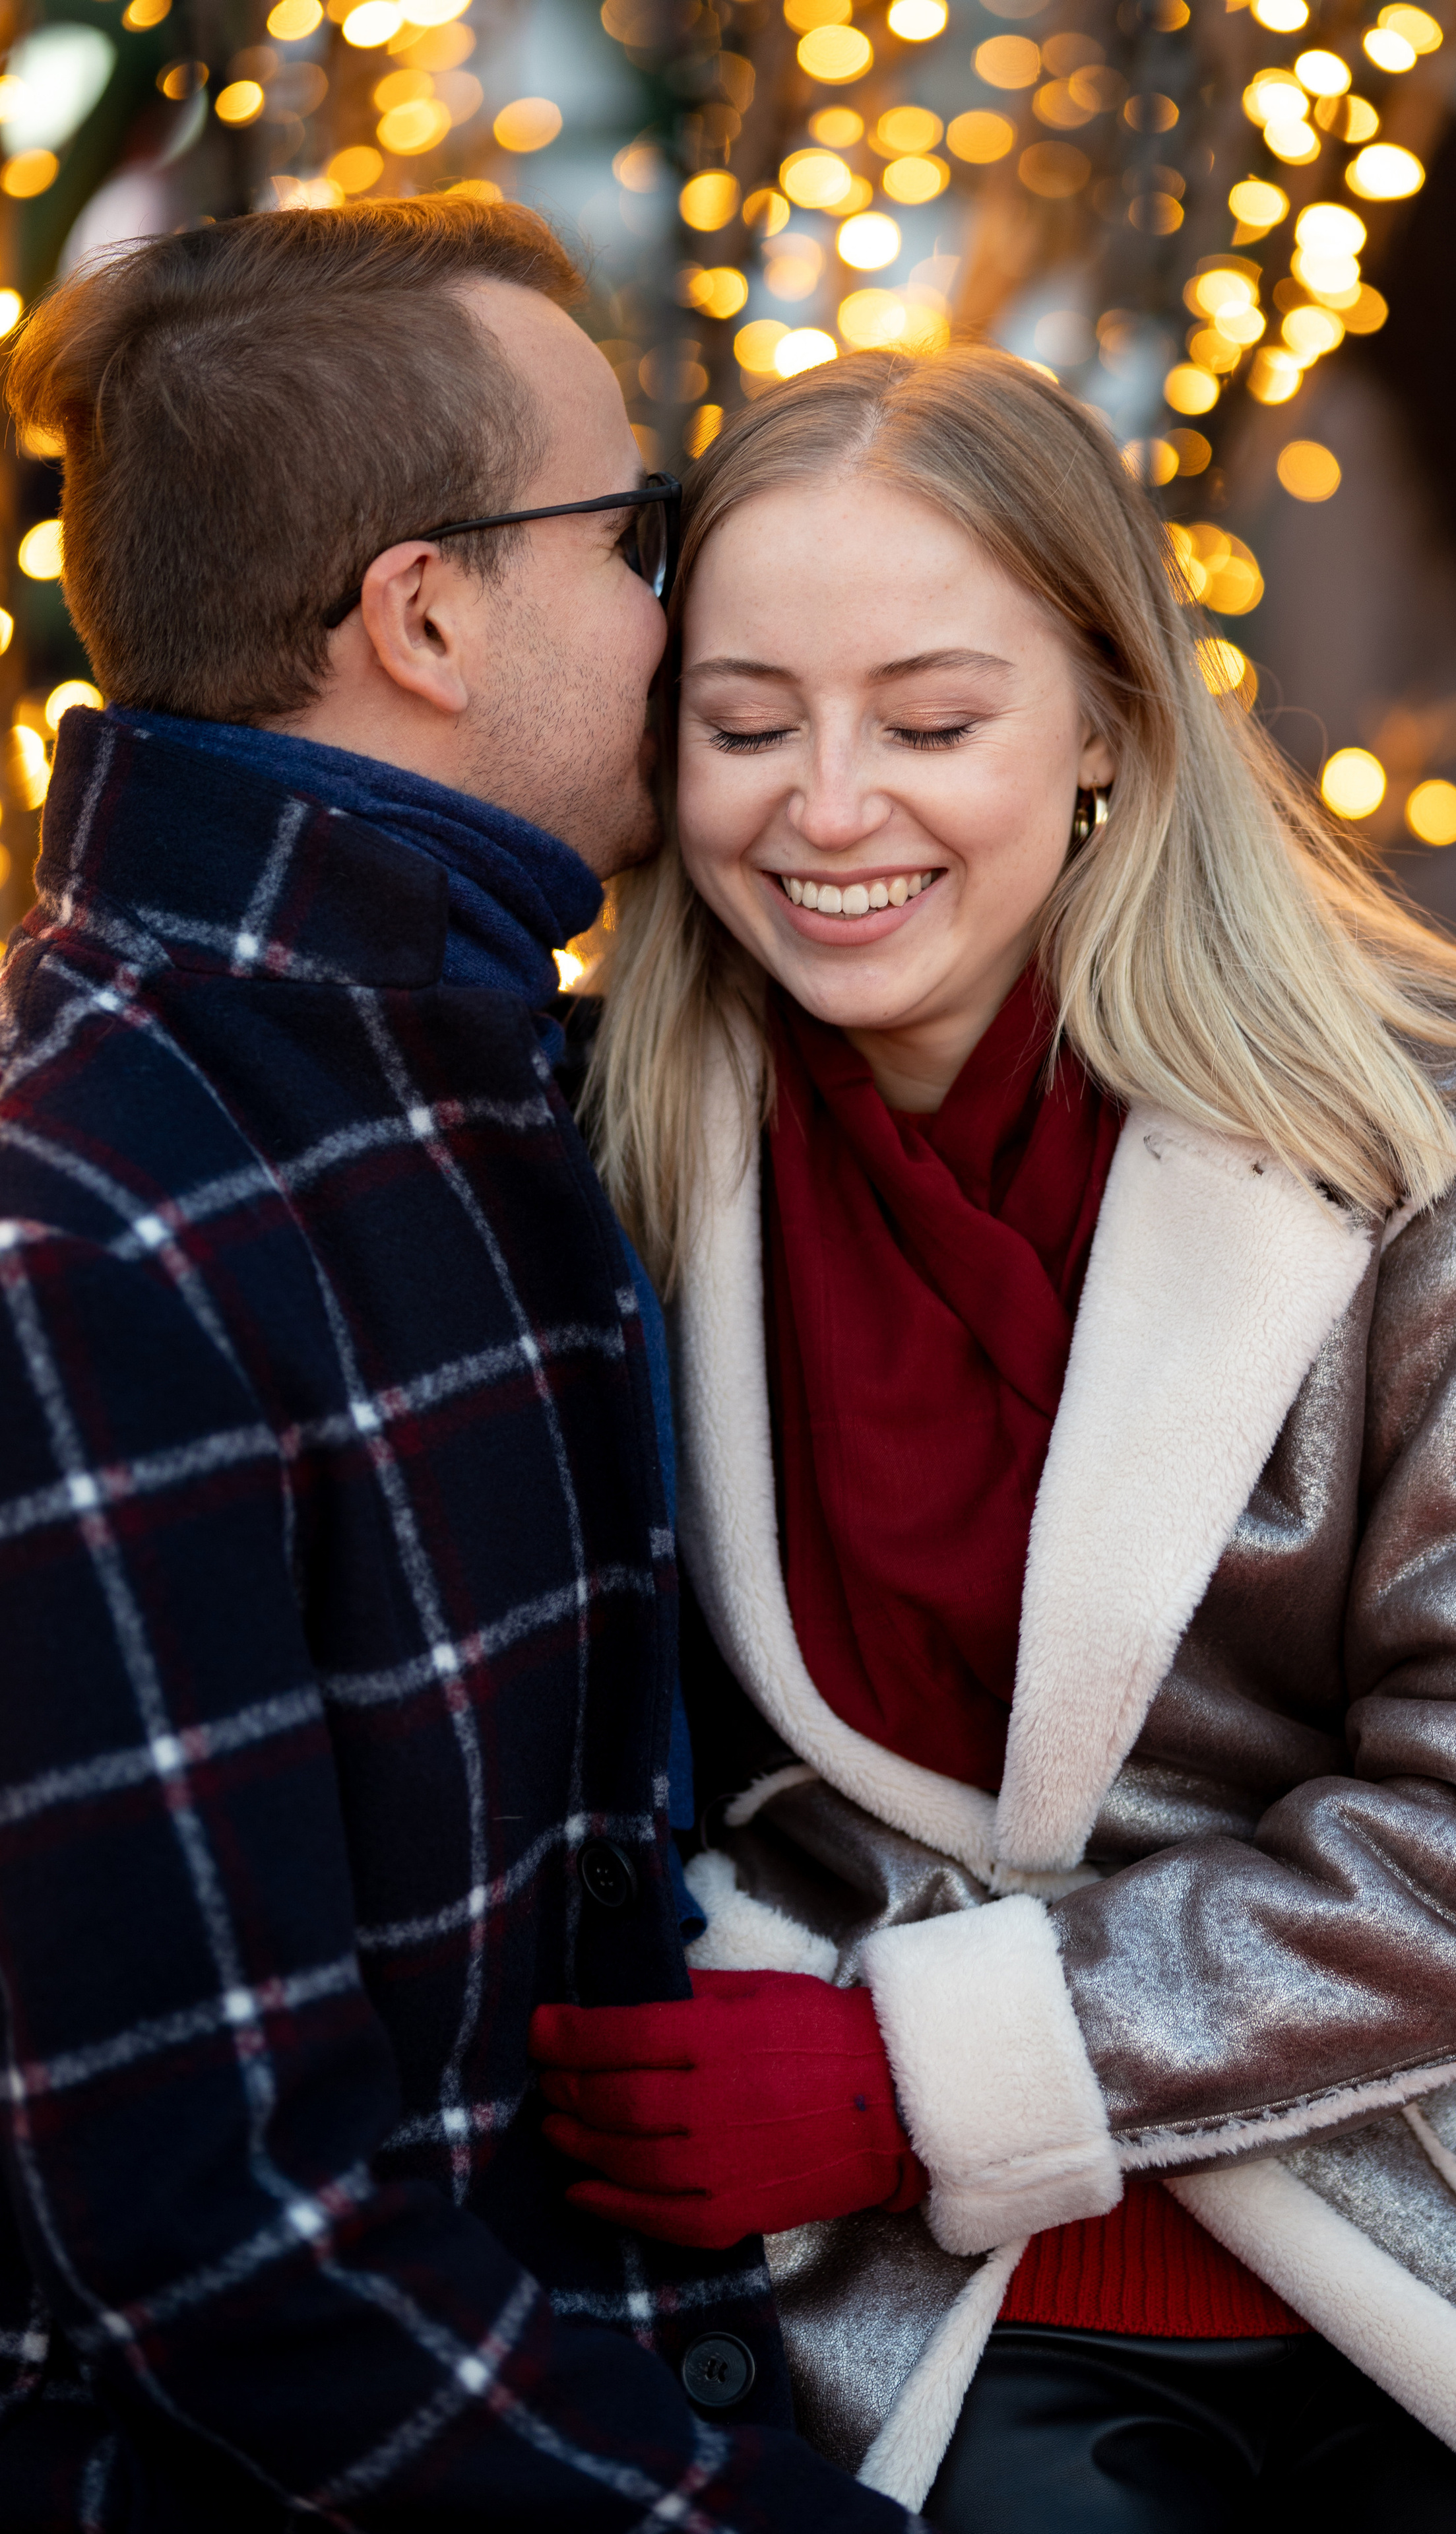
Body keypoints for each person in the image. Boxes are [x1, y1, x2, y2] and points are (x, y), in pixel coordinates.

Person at [532, 344, 1456, 2532]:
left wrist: (922, 2075)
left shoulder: (1437, 1118)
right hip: (931, 2292)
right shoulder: (616, 1133)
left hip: (1439, 2223)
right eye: (747, 723)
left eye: (935, 723)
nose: (830, 805)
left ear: (1110, 731)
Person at [0, 199, 912, 2534]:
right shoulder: (88, 1230)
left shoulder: (519, 1063)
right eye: (634, 534)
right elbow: (219, 2239)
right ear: (421, 615)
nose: (677, 603)